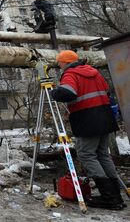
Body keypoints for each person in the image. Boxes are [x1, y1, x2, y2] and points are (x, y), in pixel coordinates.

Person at [50, 50, 125, 210]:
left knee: (86, 154)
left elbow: (68, 92)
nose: (59, 66)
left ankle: (109, 197)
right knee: (102, 154)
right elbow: (106, 92)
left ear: (65, 62)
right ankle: (116, 194)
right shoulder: (94, 72)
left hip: (88, 120)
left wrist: (53, 92)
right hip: (105, 117)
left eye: (59, 63)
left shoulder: (70, 73)